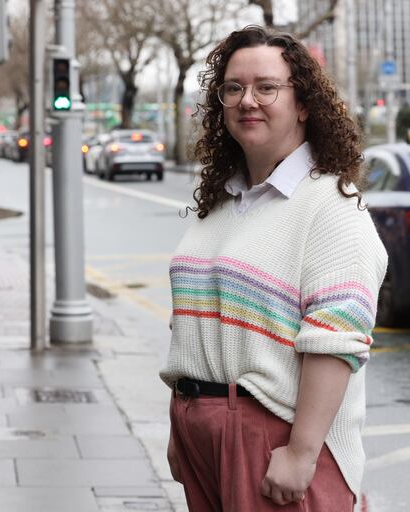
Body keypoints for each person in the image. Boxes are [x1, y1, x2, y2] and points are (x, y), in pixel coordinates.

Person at [160, 25, 388, 511]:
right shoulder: (223, 204)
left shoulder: (330, 207)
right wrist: (182, 423)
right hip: (204, 431)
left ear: (303, 103)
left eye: (267, 87)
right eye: (233, 88)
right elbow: (192, 324)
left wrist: (303, 452)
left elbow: (336, 337)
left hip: (274, 436)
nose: (248, 100)